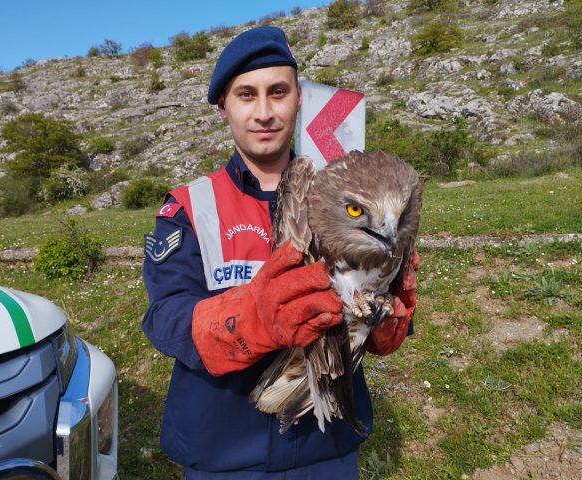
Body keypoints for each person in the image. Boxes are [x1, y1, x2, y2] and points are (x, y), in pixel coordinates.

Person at [141, 25, 419, 479]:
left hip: (324, 442)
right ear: (222, 107)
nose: (265, 112)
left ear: (299, 99)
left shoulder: (358, 194)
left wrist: (391, 319)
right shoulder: (190, 206)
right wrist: (252, 319)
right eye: (246, 95)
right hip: (224, 449)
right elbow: (164, 319)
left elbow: (384, 316)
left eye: (278, 92)